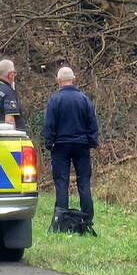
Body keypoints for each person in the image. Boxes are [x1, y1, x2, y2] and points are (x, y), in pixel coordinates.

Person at [43, 66, 99, 231]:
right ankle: (87, 220)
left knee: (61, 182)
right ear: (73, 79)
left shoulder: (55, 100)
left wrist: (49, 143)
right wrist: (92, 141)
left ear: (58, 80)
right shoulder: (84, 99)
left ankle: (61, 220)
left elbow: (49, 124)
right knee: (84, 182)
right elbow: (92, 123)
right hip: (81, 145)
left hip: (60, 146)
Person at [0, 59, 27, 131]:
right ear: (10, 74)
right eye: (14, 73)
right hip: (6, 134)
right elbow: (9, 121)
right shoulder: (9, 93)